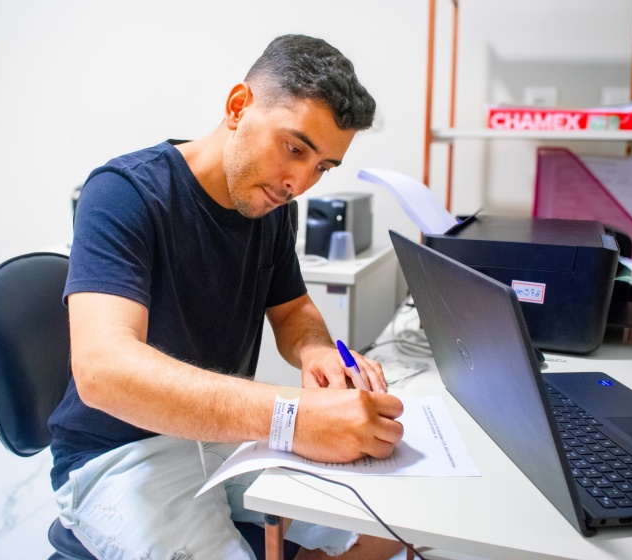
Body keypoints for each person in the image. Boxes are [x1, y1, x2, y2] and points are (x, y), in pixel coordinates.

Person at [48, 34, 406, 559]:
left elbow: (292, 310)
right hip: (119, 454)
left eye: (322, 167)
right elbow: (103, 371)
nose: (299, 182)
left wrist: (317, 351)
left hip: (220, 437)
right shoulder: (123, 193)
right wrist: (293, 416)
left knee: (389, 529)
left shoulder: (272, 208)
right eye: (295, 149)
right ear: (238, 106)